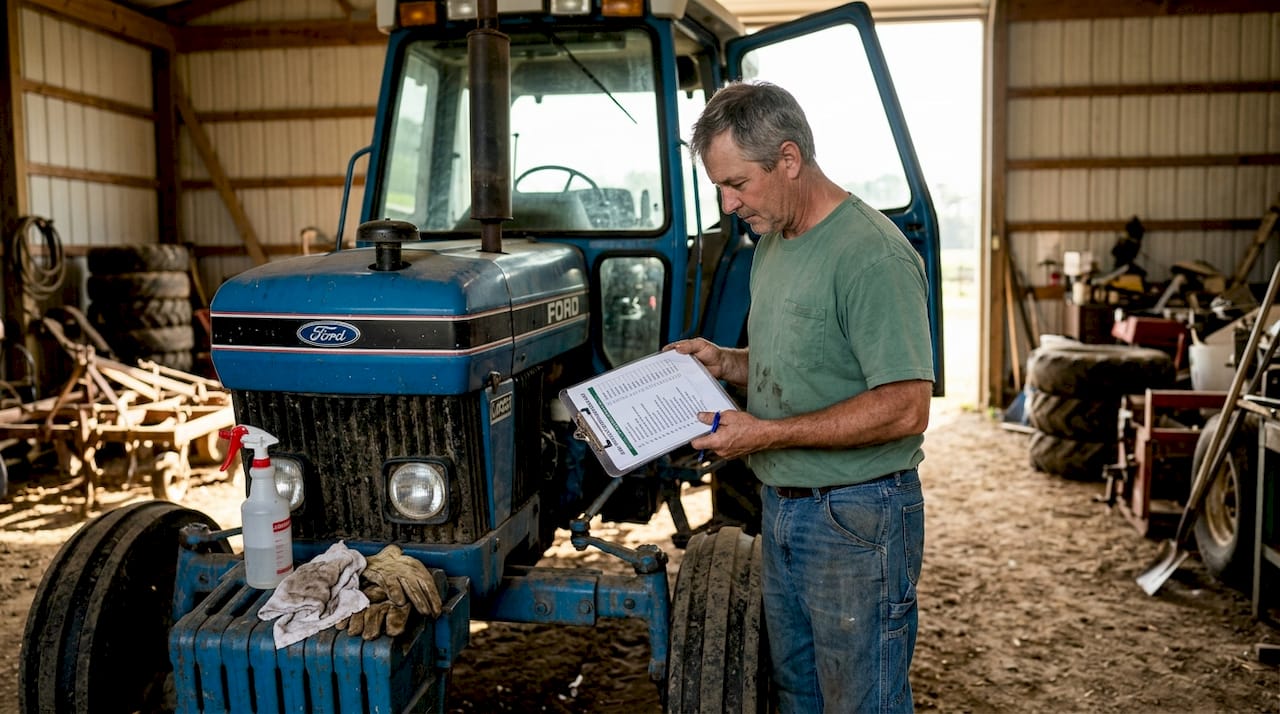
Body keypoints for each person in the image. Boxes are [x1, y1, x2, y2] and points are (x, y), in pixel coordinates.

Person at [668, 81, 934, 713]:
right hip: (784, 506)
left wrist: (762, 434)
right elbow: (810, 360)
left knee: (859, 700)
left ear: (788, 160)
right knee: (799, 694)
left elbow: (905, 405)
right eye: (719, 189)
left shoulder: (871, 257)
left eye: (737, 184)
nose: (729, 204)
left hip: (856, 516)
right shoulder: (774, 242)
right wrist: (726, 361)